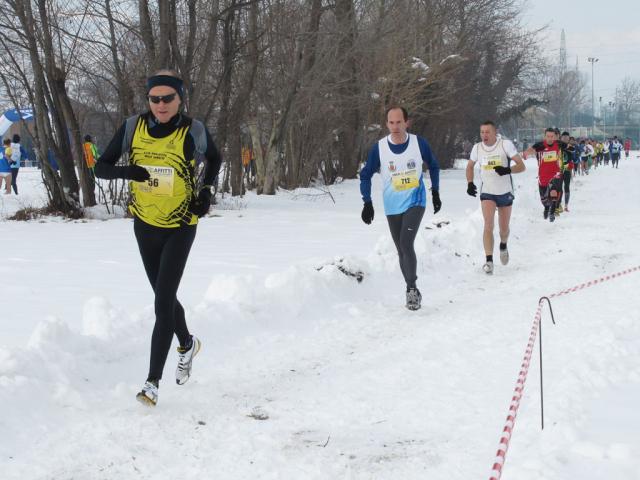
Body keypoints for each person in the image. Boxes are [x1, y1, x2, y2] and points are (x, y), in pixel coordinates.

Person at [95, 70, 222, 406]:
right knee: (164, 296)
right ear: (148, 100)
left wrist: (206, 192)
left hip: (181, 223)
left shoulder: (192, 129)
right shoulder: (132, 127)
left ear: (180, 99)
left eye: (168, 98)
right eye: (155, 98)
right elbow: (101, 167)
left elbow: (215, 157)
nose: (161, 104)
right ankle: (187, 343)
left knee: (161, 300)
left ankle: (152, 382)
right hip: (145, 223)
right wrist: (129, 172)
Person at [360, 106, 441, 310]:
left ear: (407, 122)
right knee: (400, 250)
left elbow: (434, 165)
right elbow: (366, 174)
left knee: (406, 243)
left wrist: (435, 192)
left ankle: (411, 289)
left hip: (416, 200)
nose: (395, 127)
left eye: (399, 122)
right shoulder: (379, 148)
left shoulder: (418, 143)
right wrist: (367, 202)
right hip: (392, 204)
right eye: (391, 122)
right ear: (386, 124)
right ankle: (411, 287)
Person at [466, 121, 525, 274]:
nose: (484, 135)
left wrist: (507, 170)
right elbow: (470, 166)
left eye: (487, 132)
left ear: (494, 132)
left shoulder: (505, 145)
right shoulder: (477, 148)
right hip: (488, 192)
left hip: (505, 192)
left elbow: (521, 166)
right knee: (488, 225)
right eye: (482, 132)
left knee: (504, 229)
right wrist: (470, 183)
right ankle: (489, 260)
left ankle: (503, 244)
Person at [525, 128, 571, 222]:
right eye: (548, 136)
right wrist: (525, 153)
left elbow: (568, 147)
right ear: (545, 136)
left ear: (555, 137)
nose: (550, 138)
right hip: (543, 175)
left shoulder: (558, 144)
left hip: (556, 173)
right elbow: (531, 150)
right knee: (544, 199)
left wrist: (572, 149)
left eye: (552, 136)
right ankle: (547, 207)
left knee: (554, 191)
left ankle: (552, 211)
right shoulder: (540, 145)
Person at [559, 132, 574, 212]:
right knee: (559, 187)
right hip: (559, 170)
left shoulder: (570, 146)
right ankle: (559, 204)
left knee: (567, 186)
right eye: (563, 137)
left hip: (567, 169)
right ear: (561, 138)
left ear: (569, 138)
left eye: (566, 138)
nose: (565, 139)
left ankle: (566, 205)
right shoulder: (558, 146)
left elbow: (572, 150)